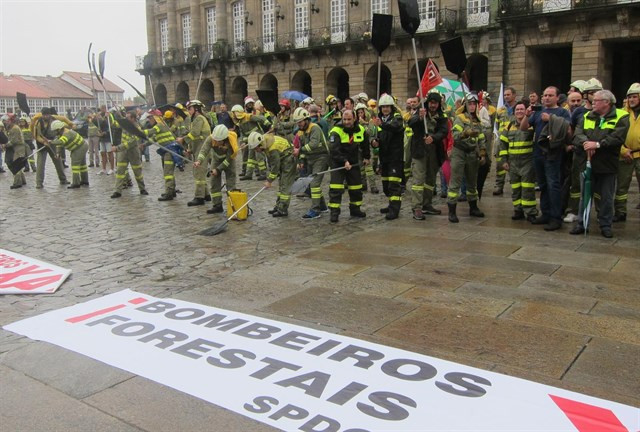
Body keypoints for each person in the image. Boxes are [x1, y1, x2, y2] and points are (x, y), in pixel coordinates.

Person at [570, 90, 630, 237]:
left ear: (606, 102)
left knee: (606, 196)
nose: (593, 102)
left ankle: (605, 225)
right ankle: (582, 223)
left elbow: (617, 137)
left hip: (607, 164)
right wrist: (585, 143)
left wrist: (597, 145)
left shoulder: (621, 116)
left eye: (596, 100)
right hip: (587, 162)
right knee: (585, 195)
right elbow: (577, 134)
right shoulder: (586, 115)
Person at [520, 86, 571, 231]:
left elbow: (568, 129)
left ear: (557, 97)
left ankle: (556, 217)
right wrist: (527, 115)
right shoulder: (538, 111)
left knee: (553, 185)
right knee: (542, 185)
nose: (547, 98)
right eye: (545, 95)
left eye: (550, 95)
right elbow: (523, 128)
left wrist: (552, 119)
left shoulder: (562, 112)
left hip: (553, 153)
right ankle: (546, 213)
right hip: (538, 153)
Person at [448, 92, 487, 223]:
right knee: (455, 183)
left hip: (471, 153)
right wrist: (466, 133)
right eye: (469, 104)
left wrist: (482, 153)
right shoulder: (460, 118)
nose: (471, 106)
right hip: (459, 152)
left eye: (474, 104)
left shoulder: (477, 121)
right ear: (465, 105)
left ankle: (473, 207)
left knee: (472, 182)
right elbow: (455, 136)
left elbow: (481, 139)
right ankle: (452, 211)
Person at [408, 91, 448, 219]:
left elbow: (444, 131)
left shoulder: (442, 116)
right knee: (418, 179)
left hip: (434, 151)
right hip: (419, 150)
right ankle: (417, 207)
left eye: (435, 103)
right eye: (431, 102)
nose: (433, 105)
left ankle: (427, 204)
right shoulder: (420, 112)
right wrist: (419, 118)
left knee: (430, 179)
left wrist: (434, 137)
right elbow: (411, 123)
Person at [326, 109, 370, 223]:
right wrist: (344, 161)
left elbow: (365, 144)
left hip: (353, 162)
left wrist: (367, 157)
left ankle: (355, 209)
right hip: (338, 162)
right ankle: (334, 212)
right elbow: (334, 150)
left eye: (349, 119)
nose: (346, 122)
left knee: (356, 187)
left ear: (354, 119)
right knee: (336, 188)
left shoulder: (361, 129)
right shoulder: (336, 131)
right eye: (344, 119)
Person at [500, 102, 538, 221]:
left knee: (527, 188)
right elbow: (502, 145)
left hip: (527, 162)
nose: (519, 111)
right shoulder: (509, 126)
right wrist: (504, 161)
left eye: (522, 109)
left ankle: (531, 213)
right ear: (514, 112)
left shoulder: (531, 125)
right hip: (513, 163)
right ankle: (518, 210)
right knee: (515, 188)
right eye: (517, 109)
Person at [248, 130, 296, 217]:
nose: (256, 150)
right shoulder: (265, 142)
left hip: (288, 161)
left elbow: (275, 167)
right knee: (281, 184)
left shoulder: (272, 148)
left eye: (256, 148)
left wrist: (269, 180)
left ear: (260, 144)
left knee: (285, 185)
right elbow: (273, 163)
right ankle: (278, 206)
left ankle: (283, 210)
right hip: (283, 159)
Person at [372, 94, 405, 220]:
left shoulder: (396, 118)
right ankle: (391, 204)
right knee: (386, 186)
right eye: (383, 107)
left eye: (387, 106)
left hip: (395, 157)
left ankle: (394, 209)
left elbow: (395, 127)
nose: (385, 109)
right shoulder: (379, 120)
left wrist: (381, 125)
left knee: (394, 185)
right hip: (384, 158)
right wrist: (375, 142)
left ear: (391, 107)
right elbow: (379, 138)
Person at [294, 107, 330, 219]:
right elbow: (302, 147)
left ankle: (315, 210)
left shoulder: (315, 128)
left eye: (300, 122)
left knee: (314, 183)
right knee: (312, 183)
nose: (298, 124)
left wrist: (300, 151)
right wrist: (301, 160)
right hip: (310, 158)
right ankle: (323, 206)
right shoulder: (301, 132)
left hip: (321, 157)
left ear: (306, 119)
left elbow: (313, 145)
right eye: (297, 122)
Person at [194, 124, 238, 214]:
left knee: (231, 183)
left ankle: (233, 205)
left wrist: (218, 170)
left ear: (224, 139)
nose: (216, 142)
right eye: (215, 140)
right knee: (214, 182)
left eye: (219, 141)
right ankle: (217, 205)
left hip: (228, 161)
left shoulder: (231, 142)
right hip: (216, 159)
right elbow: (204, 150)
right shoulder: (211, 138)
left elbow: (228, 160)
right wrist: (199, 161)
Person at [613, 83, 640, 222]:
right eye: (629, 97)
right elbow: (614, 134)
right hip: (625, 153)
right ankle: (620, 211)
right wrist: (623, 150)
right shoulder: (621, 113)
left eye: (634, 96)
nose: (631, 100)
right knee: (622, 186)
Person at [178, 100, 212, 206]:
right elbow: (195, 137)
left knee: (199, 173)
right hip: (198, 149)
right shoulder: (195, 120)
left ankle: (199, 197)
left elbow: (194, 134)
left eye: (190, 108)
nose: (188, 111)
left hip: (203, 149)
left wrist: (183, 139)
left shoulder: (199, 119)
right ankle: (206, 195)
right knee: (199, 172)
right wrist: (190, 149)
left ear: (196, 109)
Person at [110, 111, 147, 198]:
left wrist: (117, 148)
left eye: (128, 117)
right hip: (123, 152)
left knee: (137, 171)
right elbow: (114, 124)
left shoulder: (137, 128)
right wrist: (110, 116)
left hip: (132, 151)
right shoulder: (125, 124)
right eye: (125, 117)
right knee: (120, 171)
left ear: (133, 118)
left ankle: (142, 189)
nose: (126, 119)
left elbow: (131, 142)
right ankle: (117, 191)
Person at [144, 109, 179, 201]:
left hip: (169, 151)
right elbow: (154, 138)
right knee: (169, 172)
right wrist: (144, 144)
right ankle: (171, 190)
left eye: (150, 117)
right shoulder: (162, 126)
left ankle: (169, 194)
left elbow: (150, 132)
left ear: (155, 118)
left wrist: (138, 132)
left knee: (168, 173)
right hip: (168, 151)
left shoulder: (159, 126)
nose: (149, 120)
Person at [31, 107, 70, 188]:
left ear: (49, 114)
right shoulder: (38, 123)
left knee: (58, 161)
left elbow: (63, 119)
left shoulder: (54, 119)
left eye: (47, 115)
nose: (45, 117)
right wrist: (43, 142)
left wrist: (71, 124)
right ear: (42, 115)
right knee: (40, 164)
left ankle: (63, 179)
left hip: (53, 142)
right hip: (42, 144)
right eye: (44, 115)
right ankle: (39, 183)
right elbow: (37, 136)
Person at [49, 120, 89, 189]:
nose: (54, 132)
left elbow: (61, 142)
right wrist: (58, 153)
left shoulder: (67, 133)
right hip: (80, 146)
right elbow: (59, 145)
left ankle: (76, 183)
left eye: (55, 130)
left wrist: (51, 142)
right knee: (82, 165)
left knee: (75, 166)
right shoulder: (61, 134)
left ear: (59, 129)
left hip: (79, 148)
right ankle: (85, 181)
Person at [494, 87, 518, 195]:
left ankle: (515, 186)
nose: (506, 97)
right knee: (500, 164)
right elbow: (497, 124)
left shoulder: (519, 108)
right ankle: (499, 185)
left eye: (508, 95)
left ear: (514, 95)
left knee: (515, 164)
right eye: (504, 95)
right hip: (502, 141)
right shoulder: (500, 110)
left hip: (515, 140)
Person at [2, 114, 29, 189]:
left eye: (7, 121)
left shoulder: (15, 128)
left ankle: (17, 183)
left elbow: (14, 140)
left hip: (18, 148)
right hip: (14, 148)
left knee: (15, 164)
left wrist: (5, 145)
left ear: (11, 121)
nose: (5, 122)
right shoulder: (10, 128)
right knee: (17, 164)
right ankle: (22, 180)